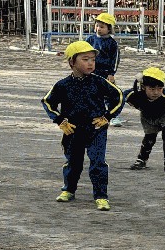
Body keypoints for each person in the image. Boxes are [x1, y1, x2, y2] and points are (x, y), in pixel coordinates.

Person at [43, 39, 123, 210]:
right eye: (85, 59)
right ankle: (69, 189)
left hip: (96, 129)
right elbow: (48, 102)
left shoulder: (99, 82)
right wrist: (59, 120)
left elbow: (118, 97)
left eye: (93, 59)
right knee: (73, 162)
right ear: (72, 62)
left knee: (98, 163)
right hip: (72, 130)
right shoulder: (63, 85)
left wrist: (108, 116)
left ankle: (101, 196)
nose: (90, 63)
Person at [126, 66, 165, 177]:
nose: (156, 92)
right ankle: (142, 159)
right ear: (143, 87)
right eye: (152, 89)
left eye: (159, 88)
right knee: (150, 137)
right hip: (148, 115)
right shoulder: (134, 94)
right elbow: (121, 97)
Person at [85, 11, 121, 82]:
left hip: (105, 73)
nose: (98, 28)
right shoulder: (90, 39)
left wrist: (111, 73)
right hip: (90, 70)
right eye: (97, 26)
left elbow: (115, 59)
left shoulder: (112, 43)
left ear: (109, 29)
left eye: (102, 27)